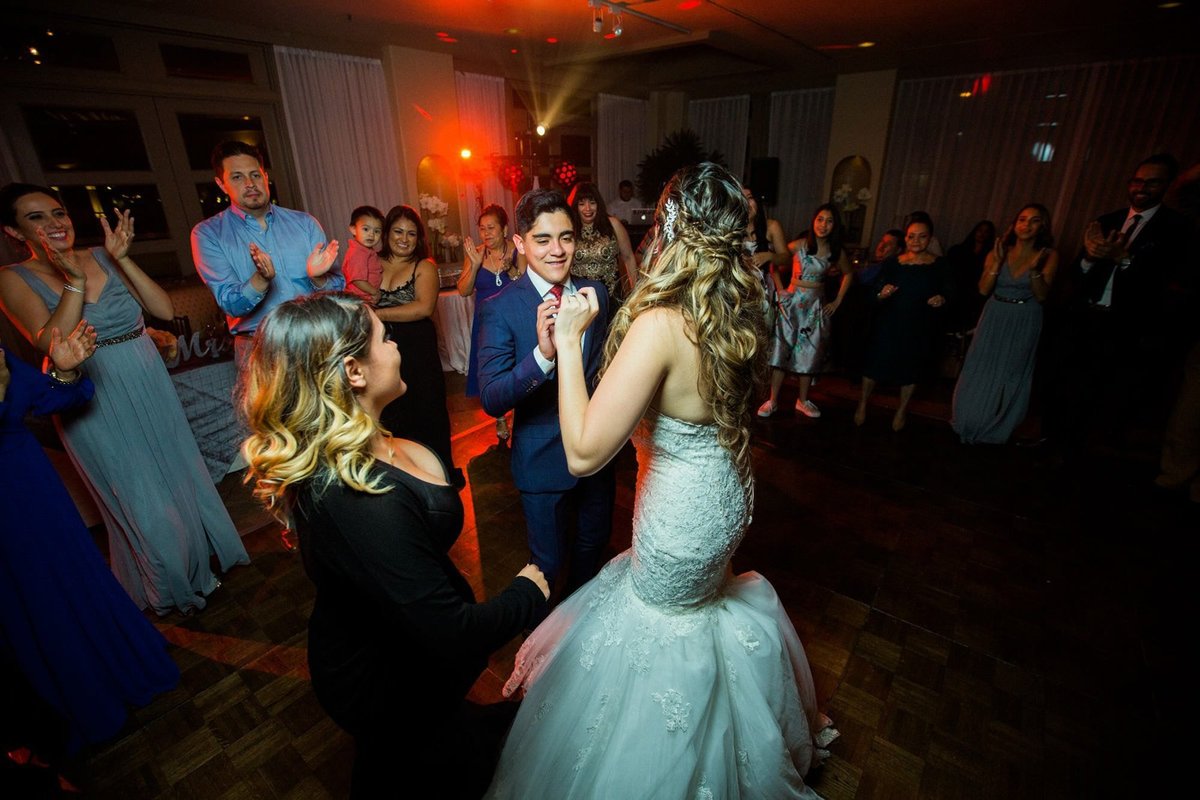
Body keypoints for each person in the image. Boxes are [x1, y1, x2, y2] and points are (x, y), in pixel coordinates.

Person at [486, 163, 835, 799]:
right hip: (726, 492)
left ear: (671, 227)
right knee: (700, 613)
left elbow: (587, 453)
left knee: (662, 628)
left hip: (681, 508)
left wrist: (568, 344)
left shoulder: (662, 323)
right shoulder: (744, 301)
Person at [239, 293, 549, 798]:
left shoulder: (362, 441)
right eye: (385, 336)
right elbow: (451, 631)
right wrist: (526, 592)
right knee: (409, 770)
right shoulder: (357, 499)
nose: (396, 343)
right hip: (380, 679)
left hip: (404, 643)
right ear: (353, 372)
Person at [0, 183, 249, 614]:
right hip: (91, 392)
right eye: (36, 217)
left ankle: (198, 567)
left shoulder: (102, 256)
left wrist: (122, 258)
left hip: (147, 377)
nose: (54, 224)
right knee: (139, 496)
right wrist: (74, 284)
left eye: (57, 213)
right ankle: (169, 587)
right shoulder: (11, 278)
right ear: (14, 231)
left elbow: (164, 310)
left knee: (178, 477)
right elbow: (50, 342)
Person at [1, 323, 180, 754]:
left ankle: (114, 671)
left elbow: (59, 397)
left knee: (69, 580)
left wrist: (64, 371)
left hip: (32, 490)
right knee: (20, 604)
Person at [477, 189, 615, 597]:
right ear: (519, 243)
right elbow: (491, 396)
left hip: (596, 460)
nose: (557, 250)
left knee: (592, 555)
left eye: (566, 237)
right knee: (547, 568)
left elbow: (604, 370)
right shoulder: (500, 307)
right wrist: (543, 355)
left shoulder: (595, 295)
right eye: (543, 239)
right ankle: (545, 652)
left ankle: (581, 639)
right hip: (542, 463)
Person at [1044, 153, 1189, 452]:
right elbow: (1076, 274)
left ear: (1166, 185)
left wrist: (1125, 260)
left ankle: (1089, 457)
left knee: (1108, 399)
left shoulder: (1177, 228)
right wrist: (1089, 257)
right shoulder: (1107, 220)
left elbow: (1172, 283)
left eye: (1152, 182)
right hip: (1085, 318)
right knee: (1067, 387)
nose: (1142, 187)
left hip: (1129, 327)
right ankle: (1055, 445)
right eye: (1138, 180)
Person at [191, 140, 342, 365]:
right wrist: (260, 280)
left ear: (265, 176)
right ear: (221, 184)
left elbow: (338, 290)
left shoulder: (305, 223)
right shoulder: (208, 234)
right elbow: (229, 302)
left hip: (315, 340)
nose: (250, 183)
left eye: (255, 174)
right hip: (259, 350)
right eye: (237, 177)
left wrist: (318, 278)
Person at [951, 205, 1059, 444]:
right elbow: (982, 289)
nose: (1027, 225)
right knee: (981, 367)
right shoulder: (998, 251)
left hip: (1025, 316)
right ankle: (970, 418)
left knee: (1011, 372)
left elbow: (1042, 296)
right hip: (994, 314)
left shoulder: (1048, 255)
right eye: (1022, 219)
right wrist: (996, 265)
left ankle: (998, 424)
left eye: (1034, 220)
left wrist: (1033, 271)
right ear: (1014, 224)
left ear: (1042, 226)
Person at [375, 205, 461, 487]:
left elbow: (423, 308)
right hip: (379, 351)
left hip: (417, 352)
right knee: (388, 415)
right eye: (398, 231)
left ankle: (437, 478)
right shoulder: (371, 263)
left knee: (426, 414)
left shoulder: (424, 266)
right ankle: (401, 481)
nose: (404, 238)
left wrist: (378, 313)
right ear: (387, 233)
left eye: (411, 233)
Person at [856, 217, 950, 431]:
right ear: (905, 238)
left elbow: (950, 292)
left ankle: (901, 410)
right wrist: (882, 294)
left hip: (919, 324)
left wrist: (942, 299)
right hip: (889, 322)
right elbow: (873, 294)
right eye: (911, 236)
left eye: (922, 236)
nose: (916, 241)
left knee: (911, 368)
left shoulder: (939, 265)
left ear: (930, 238)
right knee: (875, 364)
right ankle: (862, 404)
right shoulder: (893, 263)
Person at [759, 204, 852, 419]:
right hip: (791, 306)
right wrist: (780, 290)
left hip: (814, 307)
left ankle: (802, 400)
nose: (823, 225)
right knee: (781, 352)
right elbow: (775, 262)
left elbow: (848, 274)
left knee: (809, 355)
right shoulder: (799, 245)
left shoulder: (834, 252)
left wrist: (837, 301)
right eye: (820, 219)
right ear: (813, 221)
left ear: (834, 225)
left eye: (829, 221)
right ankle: (772, 400)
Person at [458, 204, 525, 443]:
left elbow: (527, 284)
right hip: (486, 324)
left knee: (517, 368)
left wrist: (513, 270)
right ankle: (499, 416)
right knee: (493, 371)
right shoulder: (476, 253)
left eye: (491, 228)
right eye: (482, 228)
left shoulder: (519, 251)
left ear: (504, 229)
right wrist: (474, 264)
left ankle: (520, 414)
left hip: (515, 321)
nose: (486, 233)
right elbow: (464, 291)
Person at [832, 228, 902, 378]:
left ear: (899, 250)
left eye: (888, 244)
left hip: (863, 314)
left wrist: (848, 275)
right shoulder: (872, 264)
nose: (881, 246)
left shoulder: (889, 267)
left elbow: (862, 286)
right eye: (882, 241)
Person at [566, 181, 637, 302]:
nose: (588, 208)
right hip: (580, 297)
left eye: (592, 203)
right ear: (575, 206)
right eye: (582, 204)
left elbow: (629, 257)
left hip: (611, 295)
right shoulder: (569, 228)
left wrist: (636, 292)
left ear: (599, 204)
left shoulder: (613, 224)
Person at [944, 220, 996, 334]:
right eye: (980, 230)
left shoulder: (990, 256)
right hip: (956, 292)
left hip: (974, 296)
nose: (982, 234)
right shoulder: (958, 250)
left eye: (986, 232)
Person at [342, 205, 384, 304]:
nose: (371, 234)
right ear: (353, 229)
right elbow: (358, 280)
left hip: (365, 298)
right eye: (366, 229)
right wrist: (375, 292)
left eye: (377, 231)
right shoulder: (358, 253)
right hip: (358, 301)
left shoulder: (366, 250)